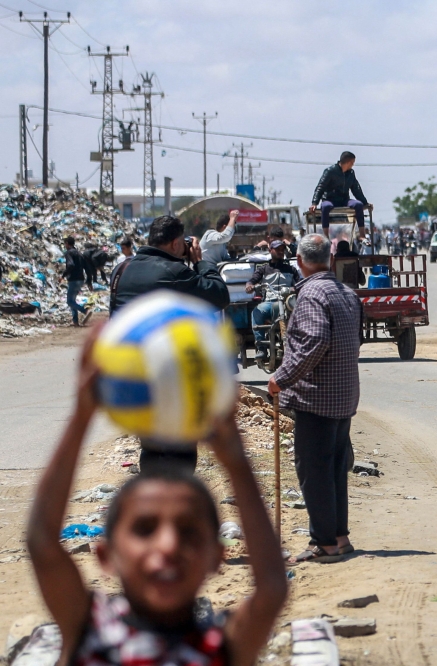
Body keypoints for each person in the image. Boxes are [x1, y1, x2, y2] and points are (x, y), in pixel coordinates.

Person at [27, 330, 288, 666]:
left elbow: (271, 590)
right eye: (145, 529)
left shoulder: (220, 645)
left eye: (188, 531)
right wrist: (81, 416)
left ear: (217, 557)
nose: (168, 545)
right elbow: (43, 544)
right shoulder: (90, 630)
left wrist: (237, 463)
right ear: (105, 555)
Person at [110, 215, 230, 474]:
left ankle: (152, 501)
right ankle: (177, 506)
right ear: (176, 243)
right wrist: (200, 262)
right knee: (180, 451)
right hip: (170, 375)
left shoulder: (122, 270)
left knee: (151, 447)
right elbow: (219, 296)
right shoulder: (177, 272)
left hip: (133, 376)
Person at [268, 234, 362, 564]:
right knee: (334, 468)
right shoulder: (346, 293)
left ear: (299, 261)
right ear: (330, 260)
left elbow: (315, 341)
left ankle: (324, 543)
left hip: (317, 398)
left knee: (313, 469)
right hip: (343, 395)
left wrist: (280, 379)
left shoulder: (310, 294)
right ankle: (339, 536)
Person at [246, 241, 301, 361]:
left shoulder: (291, 269)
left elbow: (300, 284)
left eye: (282, 249)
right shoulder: (263, 269)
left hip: (288, 303)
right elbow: (252, 280)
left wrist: (294, 288)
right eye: (277, 249)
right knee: (257, 312)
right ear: (270, 250)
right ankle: (261, 347)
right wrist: (250, 285)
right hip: (270, 303)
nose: (281, 251)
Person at [309, 151, 372, 239]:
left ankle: (362, 235)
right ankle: (326, 236)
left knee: (358, 205)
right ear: (348, 162)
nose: (353, 165)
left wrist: (365, 203)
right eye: (352, 163)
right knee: (325, 206)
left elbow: (356, 189)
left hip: (344, 200)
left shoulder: (351, 173)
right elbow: (320, 187)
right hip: (330, 199)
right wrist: (314, 203)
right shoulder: (330, 171)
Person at [62, 237, 91, 326]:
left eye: (65, 244)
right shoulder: (79, 253)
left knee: (69, 302)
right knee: (73, 301)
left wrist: (63, 275)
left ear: (67, 243)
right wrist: (89, 281)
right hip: (81, 279)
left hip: (73, 280)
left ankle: (85, 311)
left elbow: (70, 265)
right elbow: (87, 268)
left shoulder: (69, 253)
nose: (65, 246)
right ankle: (75, 322)